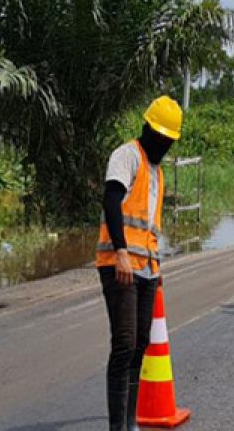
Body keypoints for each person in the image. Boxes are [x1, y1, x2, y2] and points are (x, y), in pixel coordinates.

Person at [95, 95, 182, 431]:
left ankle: (130, 422)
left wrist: (156, 269)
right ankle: (118, 427)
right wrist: (119, 251)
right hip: (119, 264)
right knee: (125, 344)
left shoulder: (156, 171)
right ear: (148, 128)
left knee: (140, 345)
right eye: (161, 137)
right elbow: (111, 200)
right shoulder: (127, 155)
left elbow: (150, 225)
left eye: (169, 141)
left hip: (146, 267)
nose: (165, 145)